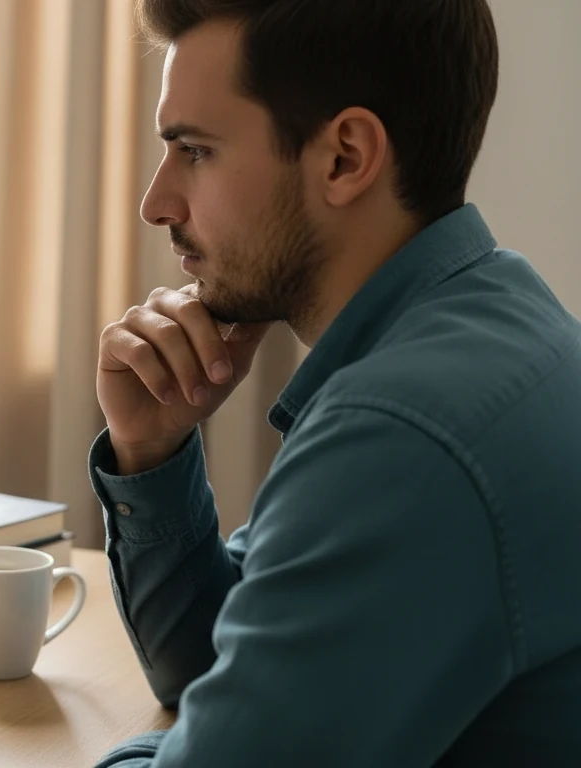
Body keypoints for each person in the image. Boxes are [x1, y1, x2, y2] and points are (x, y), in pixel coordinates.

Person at [89, 1, 581, 765]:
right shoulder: (498, 316)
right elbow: (217, 665)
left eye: (195, 151)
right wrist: (150, 450)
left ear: (346, 157)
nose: (157, 204)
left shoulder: (402, 436)